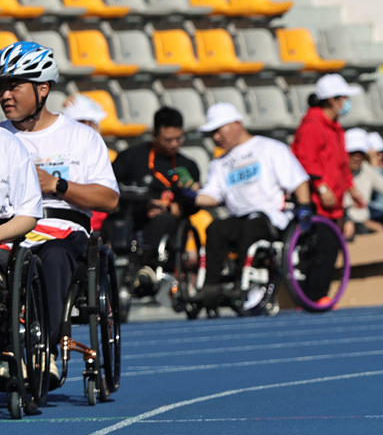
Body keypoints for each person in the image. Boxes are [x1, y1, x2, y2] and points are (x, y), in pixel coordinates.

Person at [0, 42, 119, 354]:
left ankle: (44, 348)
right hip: (12, 229)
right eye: (1, 88)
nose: (5, 96)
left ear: (42, 89)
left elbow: (108, 200)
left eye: (14, 87)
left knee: (53, 255)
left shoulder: (81, 137)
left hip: (64, 231)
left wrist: (56, 185)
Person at [191, 103, 313, 304]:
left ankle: (241, 282)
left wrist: (305, 207)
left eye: (218, 131)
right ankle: (211, 285)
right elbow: (212, 195)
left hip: (271, 217)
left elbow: (298, 181)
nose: (215, 138)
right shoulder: (219, 163)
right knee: (215, 229)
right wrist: (189, 196)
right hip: (239, 217)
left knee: (252, 225)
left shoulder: (270, 148)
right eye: (212, 133)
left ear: (236, 124)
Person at [110, 107, 201, 279]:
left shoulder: (187, 166)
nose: (174, 144)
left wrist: (168, 208)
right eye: (168, 140)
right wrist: (145, 203)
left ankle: (146, 269)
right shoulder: (131, 157)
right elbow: (110, 187)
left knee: (164, 220)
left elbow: (192, 206)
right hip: (132, 216)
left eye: (178, 139)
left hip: (166, 224)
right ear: (154, 135)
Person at [292, 74, 361, 299]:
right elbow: (305, 160)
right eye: (343, 97)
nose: (346, 102)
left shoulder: (335, 128)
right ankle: (313, 297)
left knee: (330, 251)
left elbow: (341, 164)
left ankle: (317, 296)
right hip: (316, 204)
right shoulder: (312, 126)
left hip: (334, 205)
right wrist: (321, 187)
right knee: (322, 250)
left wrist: (351, 188)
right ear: (332, 100)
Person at [344, 128, 383, 241]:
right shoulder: (337, 173)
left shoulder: (366, 169)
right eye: (352, 152)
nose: (357, 156)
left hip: (367, 226)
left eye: (361, 153)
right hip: (349, 227)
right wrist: (371, 224)